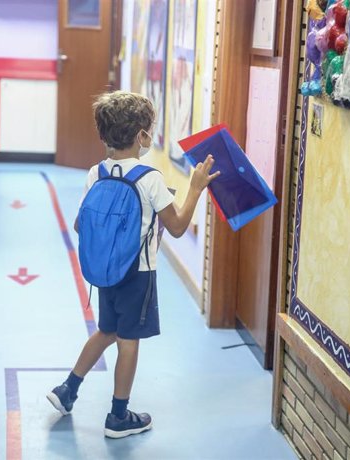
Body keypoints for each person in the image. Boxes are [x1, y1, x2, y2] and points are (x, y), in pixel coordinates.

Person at [47, 91, 220, 439]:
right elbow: (177, 226)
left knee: (106, 331)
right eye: (149, 129)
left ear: (104, 134)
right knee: (128, 341)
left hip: (105, 273)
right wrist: (196, 188)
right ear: (141, 135)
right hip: (137, 275)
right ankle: (118, 416)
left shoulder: (96, 172)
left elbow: (82, 225)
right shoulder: (149, 177)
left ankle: (68, 389)